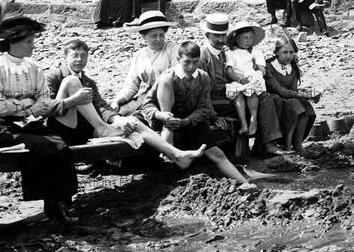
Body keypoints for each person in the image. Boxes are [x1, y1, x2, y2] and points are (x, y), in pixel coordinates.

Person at [46, 39, 206, 169]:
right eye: (75, 56)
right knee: (71, 80)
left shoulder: (89, 81)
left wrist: (119, 120)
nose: (80, 60)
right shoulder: (55, 77)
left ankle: (176, 155)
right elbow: (48, 109)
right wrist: (73, 101)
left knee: (133, 123)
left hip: (85, 129)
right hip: (62, 128)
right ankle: (104, 129)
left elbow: (101, 106)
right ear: (65, 57)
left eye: (84, 56)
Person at [0, 16, 79, 225]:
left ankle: (62, 201)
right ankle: (52, 202)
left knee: (61, 145)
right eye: (29, 41)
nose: (33, 45)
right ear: (13, 43)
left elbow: (44, 99)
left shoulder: (33, 67)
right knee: (42, 146)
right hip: (1, 127)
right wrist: (27, 106)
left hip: (29, 124)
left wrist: (27, 107)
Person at [143, 41, 253, 187]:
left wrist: (188, 120)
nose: (191, 67)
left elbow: (204, 107)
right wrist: (160, 115)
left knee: (217, 154)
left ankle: (246, 184)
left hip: (191, 121)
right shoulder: (167, 77)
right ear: (178, 60)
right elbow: (147, 105)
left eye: (195, 62)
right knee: (169, 161)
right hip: (167, 123)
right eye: (187, 62)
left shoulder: (203, 77)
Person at [199, 13, 284, 156]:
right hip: (216, 100)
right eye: (216, 36)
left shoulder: (222, 52)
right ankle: (265, 143)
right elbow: (201, 92)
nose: (221, 39)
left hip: (230, 93)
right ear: (207, 35)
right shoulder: (203, 56)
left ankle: (263, 142)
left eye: (223, 36)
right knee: (265, 100)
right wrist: (213, 116)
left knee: (273, 99)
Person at [110, 11, 179, 117]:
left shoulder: (173, 49)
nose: (158, 39)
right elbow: (131, 85)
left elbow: (177, 77)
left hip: (171, 96)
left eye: (161, 35)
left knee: (147, 117)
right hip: (148, 95)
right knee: (118, 113)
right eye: (153, 36)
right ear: (144, 36)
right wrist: (117, 101)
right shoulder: (139, 56)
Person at [265, 38, 317, 153]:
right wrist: (300, 95)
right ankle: (287, 146)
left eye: (291, 52)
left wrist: (306, 96)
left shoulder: (292, 67)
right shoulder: (269, 67)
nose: (288, 56)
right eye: (285, 52)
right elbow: (278, 89)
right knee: (296, 107)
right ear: (277, 52)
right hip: (274, 100)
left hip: (289, 98)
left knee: (307, 108)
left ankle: (298, 144)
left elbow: (293, 89)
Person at [225, 22, 266, 137]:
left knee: (251, 92)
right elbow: (229, 71)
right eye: (245, 38)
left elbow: (262, 70)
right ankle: (243, 123)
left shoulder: (255, 51)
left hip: (253, 78)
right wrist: (240, 79)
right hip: (238, 79)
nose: (248, 41)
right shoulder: (232, 53)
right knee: (237, 93)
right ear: (237, 39)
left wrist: (256, 71)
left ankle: (253, 121)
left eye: (251, 38)